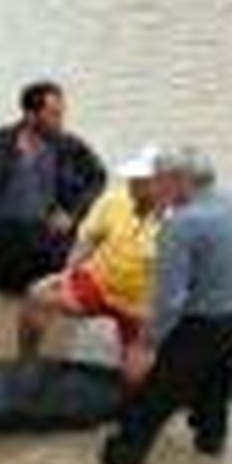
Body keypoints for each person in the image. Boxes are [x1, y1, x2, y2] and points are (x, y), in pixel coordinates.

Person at [101, 148, 232, 464]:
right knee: (216, 393)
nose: (154, 189)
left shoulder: (182, 224)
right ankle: (209, 455)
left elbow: (170, 299)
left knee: (149, 404)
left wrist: (145, 346)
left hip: (206, 328)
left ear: (180, 182)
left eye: (159, 181)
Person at [17, 146, 169, 386]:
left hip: (140, 306)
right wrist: (65, 274)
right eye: (132, 178)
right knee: (38, 295)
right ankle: (25, 363)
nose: (131, 184)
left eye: (140, 181)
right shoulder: (114, 200)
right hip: (99, 282)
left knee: (136, 377)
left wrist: (156, 320)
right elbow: (87, 240)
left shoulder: (182, 222)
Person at [0, 81, 106, 294]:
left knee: (50, 297)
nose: (61, 121)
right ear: (30, 115)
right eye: (54, 114)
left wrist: (73, 214)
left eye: (62, 113)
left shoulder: (70, 146)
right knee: (2, 295)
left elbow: (98, 177)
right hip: (3, 240)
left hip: (50, 240)